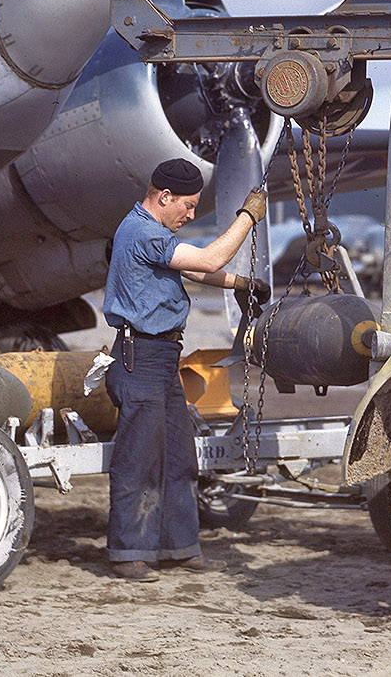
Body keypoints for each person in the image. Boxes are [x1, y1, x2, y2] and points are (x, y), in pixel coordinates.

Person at [101, 158, 269, 580]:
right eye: (188, 207)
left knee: (178, 454)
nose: (191, 215)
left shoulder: (151, 232)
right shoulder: (141, 231)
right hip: (139, 358)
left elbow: (196, 268)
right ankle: (129, 552)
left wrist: (241, 284)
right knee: (139, 460)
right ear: (164, 197)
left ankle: (179, 546)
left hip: (161, 359)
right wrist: (248, 216)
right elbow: (210, 259)